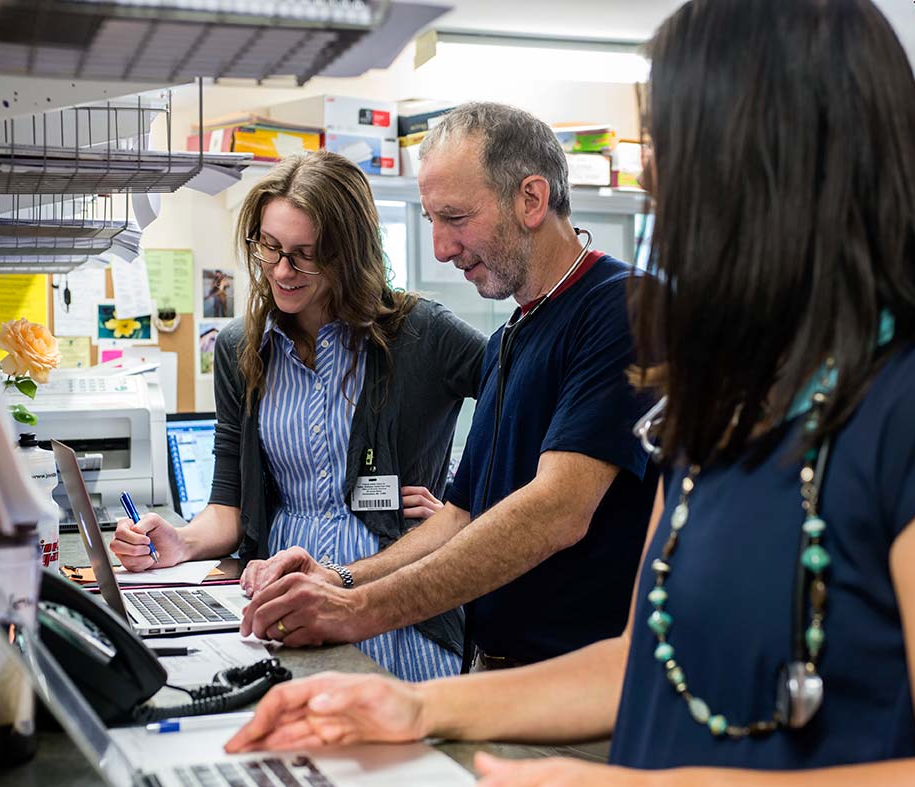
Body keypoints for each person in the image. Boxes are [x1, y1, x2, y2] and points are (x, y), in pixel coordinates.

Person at [224, 0, 915, 783]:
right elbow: (646, 660)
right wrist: (417, 704)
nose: (653, 189)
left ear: (778, 164)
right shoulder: (729, 393)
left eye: (676, 154)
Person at [237, 102, 659, 671]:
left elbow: (558, 510)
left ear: (531, 200)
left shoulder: (623, 308)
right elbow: (460, 517)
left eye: (455, 218)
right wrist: (338, 577)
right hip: (501, 668)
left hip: (582, 680)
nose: (440, 247)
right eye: (431, 220)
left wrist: (358, 608)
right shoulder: (518, 329)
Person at [109, 150, 486, 681]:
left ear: (348, 253)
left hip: (395, 608)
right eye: (271, 247)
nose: (282, 271)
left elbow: (524, 401)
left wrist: (462, 498)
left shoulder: (420, 333)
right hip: (284, 604)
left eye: (305, 255)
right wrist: (181, 541)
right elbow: (230, 506)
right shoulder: (241, 349)